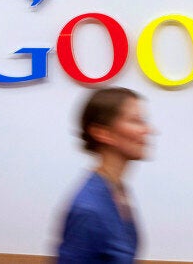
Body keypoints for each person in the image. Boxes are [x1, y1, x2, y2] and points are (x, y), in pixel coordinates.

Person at [58, 87, 152, 264]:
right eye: (136, 121)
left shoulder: (118, 191)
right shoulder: (89, 209)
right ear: (102, 133)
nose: (147, 130)